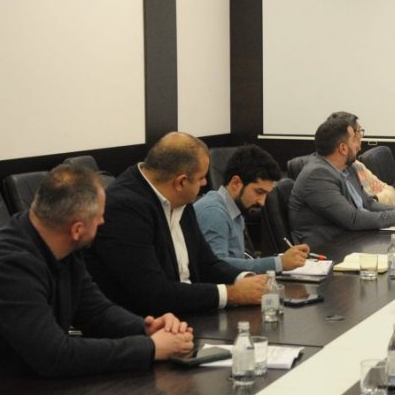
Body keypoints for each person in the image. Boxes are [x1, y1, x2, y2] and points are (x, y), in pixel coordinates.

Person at [0, 164, 194, 395]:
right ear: (77, 229)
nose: (102, 222)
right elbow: (54, 356)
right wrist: (150, 349)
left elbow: (95, 312)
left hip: (15, 385)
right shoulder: (9, 268)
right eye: (99, 216)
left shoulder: (60, 244)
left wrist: (145, 328)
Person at [85, 132, 267, 316]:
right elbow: (154, 294)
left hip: (190, 312)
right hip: (149, 322)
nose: (205, 182)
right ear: (180, 182)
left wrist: (246, 280)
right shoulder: (123, 210)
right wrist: (233, 294)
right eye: (201, 178)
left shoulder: (179, 198)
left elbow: (206, 263)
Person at [289, 112, 395, 248]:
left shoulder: (348, 167)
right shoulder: (317, 175)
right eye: (354, 140)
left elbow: (367, 204)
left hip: (352, 240)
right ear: (343, 148)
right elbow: (352, 219)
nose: (359, 146)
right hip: (327, 249)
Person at [194, 145, 310, 272]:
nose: (262, 202)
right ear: (236, 183)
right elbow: (216, 266)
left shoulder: (235, 209)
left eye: (266, 194)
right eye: (259, 192)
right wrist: (278, 263)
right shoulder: (214, 212)